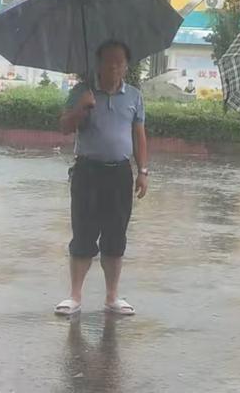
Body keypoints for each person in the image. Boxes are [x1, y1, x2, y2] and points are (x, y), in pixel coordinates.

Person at [55, 40, 148, 316]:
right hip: (87, 171)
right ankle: (74, 296)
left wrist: (143, 171)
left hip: (120, 173)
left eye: (120, 62)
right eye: (109, 61)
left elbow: (139, 136)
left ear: (126, 66)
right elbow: (64, 128)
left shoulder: (134, 96)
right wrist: (80, 109)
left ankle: (112, 297)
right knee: (83, 232)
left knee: (115, 235)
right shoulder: (82, 92)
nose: (115, 66)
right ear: (98, 64)